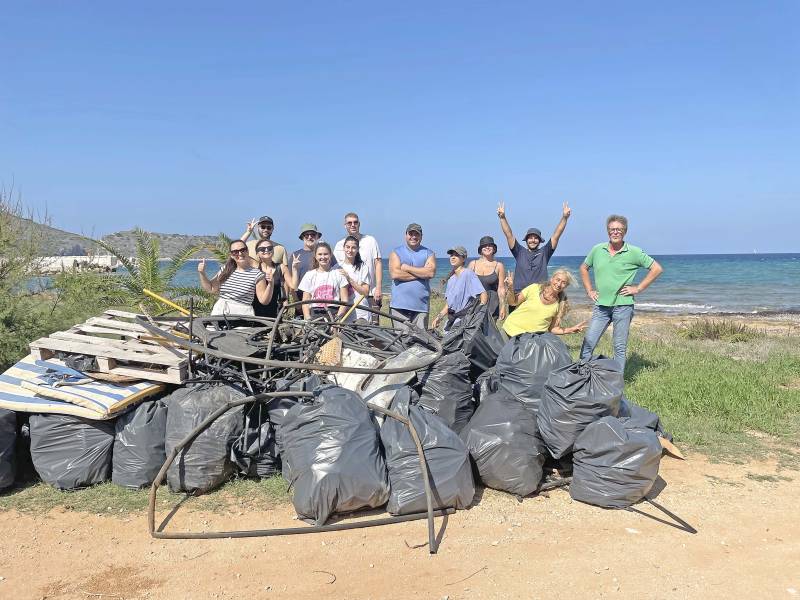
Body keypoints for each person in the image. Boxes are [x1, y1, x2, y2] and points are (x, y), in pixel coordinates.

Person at [579, 214, 664, 372]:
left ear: (625, 231)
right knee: (589, 342)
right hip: (601, 306)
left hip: (623, 307)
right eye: (612, 229)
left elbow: (657, 268)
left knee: (619, 347)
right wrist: (589, 290)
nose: (615, 232)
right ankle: (581, 375)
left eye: (619, 229)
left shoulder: (634, 252)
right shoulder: (597, 249)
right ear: (607, 231)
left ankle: (616, 385)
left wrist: (638, 288)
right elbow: (583, 268)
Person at [497, 201, 572, 297]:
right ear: (526, 240)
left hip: (539, 295)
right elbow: (509, 234)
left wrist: (564, 218)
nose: (533, 240)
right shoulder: (519, 252)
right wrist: (502, 218)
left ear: (540, 241)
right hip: (518, 294)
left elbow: (556, 235)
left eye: (536, 238)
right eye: (530, 238)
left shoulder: (545, 252)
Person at [502, 269, 587, 337]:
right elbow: (513, 302)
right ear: (551, 279)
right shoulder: (534, 288)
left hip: (529, 340)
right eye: (557, 280)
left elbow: (553, 329)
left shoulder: (561, 305)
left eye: (563, 282)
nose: (559, 284)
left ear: (566, 286)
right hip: (509, 330)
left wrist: (570, 329)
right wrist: (510, 288)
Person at [198, 240, 273, 316]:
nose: (240, 253)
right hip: (220, 312)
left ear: (247, 251)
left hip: (242, 315)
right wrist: (202, 273)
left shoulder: (257, 274)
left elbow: (264, 301)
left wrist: (270, 284)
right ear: (231, 255)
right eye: (235, 252)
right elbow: (211, 289)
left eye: (242, 250)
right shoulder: (226, 270)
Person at [333, 212, 383, 323]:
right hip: (349, 296)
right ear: (345, 225)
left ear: (359, 224)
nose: (353, 225)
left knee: (372, 326)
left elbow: (378, 263)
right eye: (349, 223)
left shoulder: (370, 240)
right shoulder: (339, 245)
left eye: (355, 222)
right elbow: (335, 270)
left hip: (371, 292)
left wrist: (379, 288)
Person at [388, 223, 436, 330]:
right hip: (399, 306)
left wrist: (407, 268)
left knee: (420, 340)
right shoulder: (396, 252)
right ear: (406, 235)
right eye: (411, 234)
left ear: (421, 236)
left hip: (421, 306)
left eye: (417, 234)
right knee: (402, 340)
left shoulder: (429, 253)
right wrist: (421, 274)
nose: (413, 237)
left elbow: (430, 273)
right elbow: (395, 274)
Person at [432, 246, 488, 331]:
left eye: (456, 255)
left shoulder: (468, 274)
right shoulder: (451, 279)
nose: (453, 257)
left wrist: (478, 315)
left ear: (464, 258)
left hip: (464, 321)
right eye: (451, 255)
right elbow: (448, 305)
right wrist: (438, 318)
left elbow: (483, 294)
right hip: (451, 320)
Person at [297, 242, 349, 320]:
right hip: (315, 313)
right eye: (320, 254)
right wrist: (308, 318)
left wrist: (337, 319)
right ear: (315, 256)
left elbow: (344, 300)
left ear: (330, 255)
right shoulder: (309, 275)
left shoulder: (339, 273)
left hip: (334, 313)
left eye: (325, 254)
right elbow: (305, 302)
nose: (323, 257)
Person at [467, 235, 507, 320]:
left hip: (492, 305)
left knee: (489, 332)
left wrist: (503, 306)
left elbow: (501, 288)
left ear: (494, 249)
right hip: (474, 305)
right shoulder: (472, 264)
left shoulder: (499, 266)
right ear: (480, 249)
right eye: (484, 246)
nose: (487, 247)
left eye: (490, 245)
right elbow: (466, 285)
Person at [252, 238, 293, 318]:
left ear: (273, 250)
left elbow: (287, 284)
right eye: (262, 249)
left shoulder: (281, 267)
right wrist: (248, 232)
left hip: (276, 311)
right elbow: (236, 252)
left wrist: (285, 300)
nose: (266, 250)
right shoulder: (254, 269)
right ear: (257, 253)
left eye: (269, 248)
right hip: (256, 311)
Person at [337, 235, 372, 322]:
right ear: (343, 248)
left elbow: (365, 292)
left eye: (353, 248)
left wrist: (349, 279)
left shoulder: (363, 267)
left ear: (357, 249)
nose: (350, 250)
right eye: (347, 247)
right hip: (344, 311)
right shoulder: (337, 267)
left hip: (361, 310)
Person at [290, 223, 323, 304]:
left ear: (317, 236)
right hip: (301, 299)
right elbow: (290, 284)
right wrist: (296, 302)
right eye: (306, 235)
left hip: (322, 298)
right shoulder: (295, 255)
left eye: (312, 235)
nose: (310, 237)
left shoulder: (325, 254)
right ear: (302, 237)